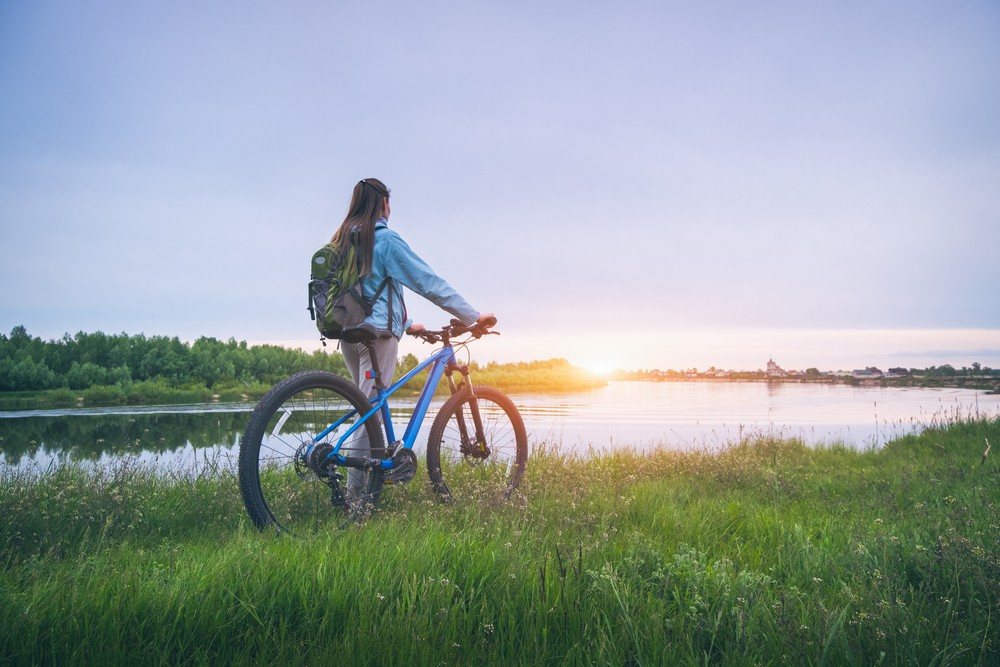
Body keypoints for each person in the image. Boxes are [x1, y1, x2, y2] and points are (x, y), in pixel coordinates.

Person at [328, 177, 494, 496]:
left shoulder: (344, 239)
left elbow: (368, 291)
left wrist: (408, 323)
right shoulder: (385, 240)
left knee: (369, 408)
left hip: (349, 335)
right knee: (369, 415)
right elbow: (427, 282)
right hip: (377, 337)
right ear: (383, 205)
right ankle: (355, 502)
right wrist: (472, 317)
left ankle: (372, 484)